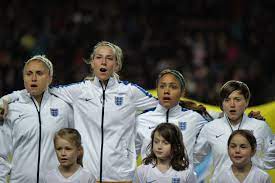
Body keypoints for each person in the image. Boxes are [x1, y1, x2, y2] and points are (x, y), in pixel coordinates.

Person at [0, 41, 158, 182]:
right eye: (98, 57)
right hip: (86, 176)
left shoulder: (130, 92)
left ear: (116, 65)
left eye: (109, 58)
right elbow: (41, 87)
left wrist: (134, 144)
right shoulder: (78, 92)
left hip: (121, 175)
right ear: (92, 63)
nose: (103, 62)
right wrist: (6, 99)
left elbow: (163, 106)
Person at [0, 55, 74, 183]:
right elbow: (2, 155)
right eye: (29, 74)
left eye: (39, 73)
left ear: (50, 78)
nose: (33, 78)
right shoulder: (11, 109)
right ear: (24, 78)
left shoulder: (64, 108)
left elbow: (75, 145)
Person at [194, 80, 273, 181]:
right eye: (227, 100)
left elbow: (272, 154)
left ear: (246, 102)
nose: (232, 104)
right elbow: (195, 158)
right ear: (222, 104)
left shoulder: (260, 127)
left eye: (237, 99)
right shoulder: (210, 128)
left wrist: (256, 166)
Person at [135, 69, 209, 164]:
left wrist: (189, 163)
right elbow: (130, 156)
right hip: (149, 178)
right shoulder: (141, 120)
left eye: (173, 87)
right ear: (157, 90)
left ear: (182, 92)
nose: (166, 91)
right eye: (162, 86)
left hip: (183, 178)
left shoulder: (194, 119)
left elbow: (214, 136)